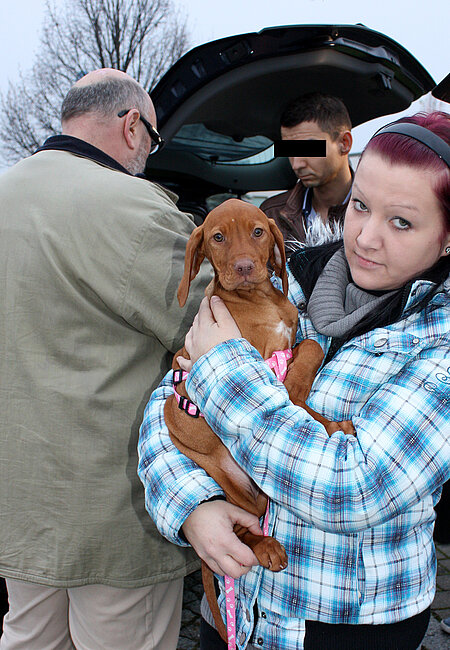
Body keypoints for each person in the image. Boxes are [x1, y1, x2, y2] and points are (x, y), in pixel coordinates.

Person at [138, 111, 450, 650]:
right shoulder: (292, 285)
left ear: (447, 240)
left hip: (345, 623)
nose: (367, 238)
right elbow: (164, 409)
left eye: (401, 222)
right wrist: (193, 508)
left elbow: (354, 489)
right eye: (360, 206)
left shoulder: (436, 344)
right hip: (242, 608)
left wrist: (224, 369)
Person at [0, 68, 211, 649]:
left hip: (18, 502)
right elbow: (213, 325)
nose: (149, 152)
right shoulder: (131, 206)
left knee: (29, 637)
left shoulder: (7, 192)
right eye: (153, 140)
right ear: (131, 124)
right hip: (111, 511)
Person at [260, 92, 353, 252]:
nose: (297, 164)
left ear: (344, 143)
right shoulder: (271, 215)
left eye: (308, 148)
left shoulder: (377, 212)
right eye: (290, 150)